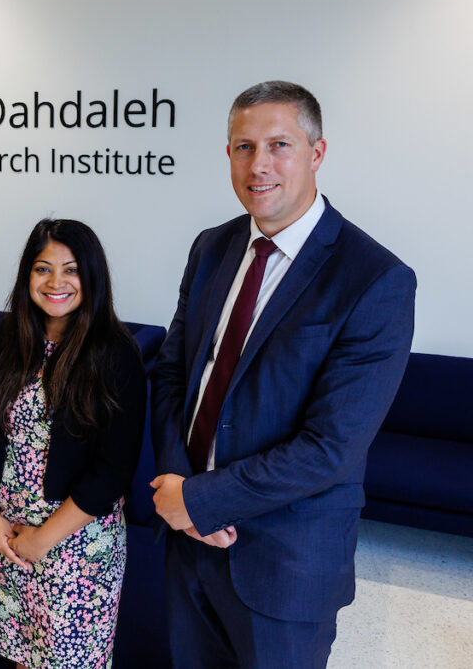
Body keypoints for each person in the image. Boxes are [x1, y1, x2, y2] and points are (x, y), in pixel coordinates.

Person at [150, 80, 417, 667]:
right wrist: (179, 488)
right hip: (188, 542)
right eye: (243, 147)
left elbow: (330, 448)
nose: (259, 164)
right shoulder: (212, 247)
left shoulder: (374, 279)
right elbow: (174, 374)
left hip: (285, 560)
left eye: (279, 145)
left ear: (316, 153)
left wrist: (203, 500)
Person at [0, 218, 147, 668]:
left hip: (75, 544)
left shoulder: (116, 353)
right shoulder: (6, 339)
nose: (56, 283)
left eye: (71, 270)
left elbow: (113, 471)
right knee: (23, 655)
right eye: (42, 268)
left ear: (92, 277)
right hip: (9, 537)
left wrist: (41, 541)